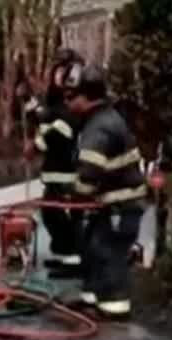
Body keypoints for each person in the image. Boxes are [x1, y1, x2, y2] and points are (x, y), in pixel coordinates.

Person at [61, 62, 147, 321]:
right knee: (93, 248)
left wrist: (73, 196)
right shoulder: (101, 118)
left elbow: (88, 173)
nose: (67, 102)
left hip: (120, 206)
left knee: (109, 255)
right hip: (111, 205)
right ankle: (92, 297)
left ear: (85, 97)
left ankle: (114, 307)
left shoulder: (99, 127)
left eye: (70, 96)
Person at [25, 49, 85, 272]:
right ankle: (63, 253)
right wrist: (31, 107)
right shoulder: (56, 104)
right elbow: (45, 121)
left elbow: (61, 132)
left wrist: (36, 146)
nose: (55, 73)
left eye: (60, 68)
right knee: (51, 214)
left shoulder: (70, 105)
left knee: (61, 217)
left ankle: (73, 259)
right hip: (55, 173)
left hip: (66, 174)